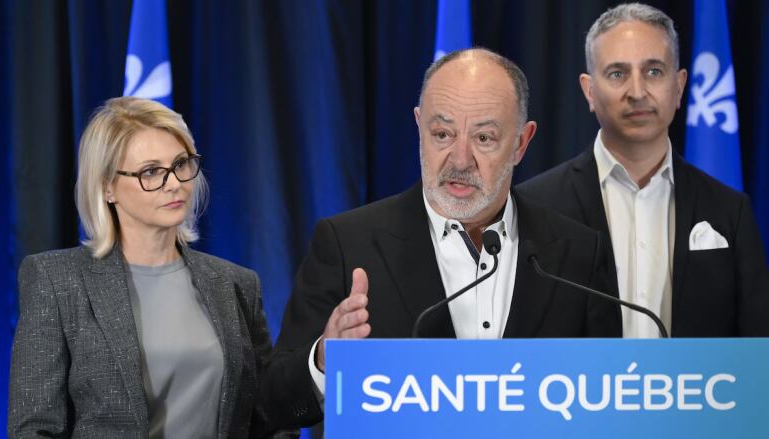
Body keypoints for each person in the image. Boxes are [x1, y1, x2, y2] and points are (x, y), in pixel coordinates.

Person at [261, 48, 621, 428]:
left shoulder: (577, 252)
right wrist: (323, 362)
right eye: (442, 134)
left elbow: (608, 406)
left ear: (521, 143)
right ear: (419, 126)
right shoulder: (348, 244)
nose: (460, 159)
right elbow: (275, 407)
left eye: (484, 137)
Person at [8, 97, 289, 438]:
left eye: (181, 164)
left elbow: (269, 419)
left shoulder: (235, 283)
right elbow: (34, 429)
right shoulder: (57, 281)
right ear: (107, 187)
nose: (174, 183)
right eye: (151, 172)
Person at [516, 3, 769, 337]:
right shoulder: (533, 206)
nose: (637, 92)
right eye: (617, 73)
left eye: (653, 71)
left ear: (678, 87)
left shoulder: (729, 211)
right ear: (589, 91)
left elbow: (756, 347)